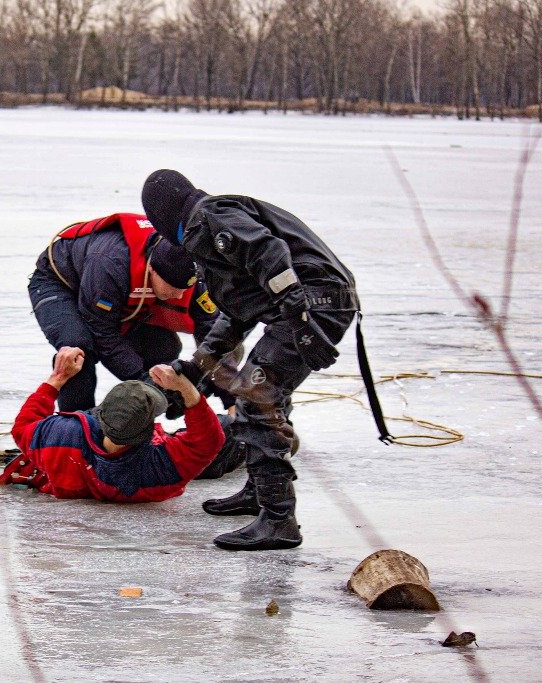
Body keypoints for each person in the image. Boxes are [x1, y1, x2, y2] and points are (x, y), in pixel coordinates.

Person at [141, 169, 388, 551]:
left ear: (161, 212)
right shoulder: (204, 235)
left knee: (256, 398)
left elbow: (269, 251)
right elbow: (239, 312)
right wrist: (198, 367)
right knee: (262, 393)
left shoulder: (210, 217)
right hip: (312, 300)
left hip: (312, 302)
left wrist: (298, 313)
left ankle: (278, 519)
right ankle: (259, 493)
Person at [28, 213, 223, 413]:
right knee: (79, 349)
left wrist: (209, 385)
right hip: (61, 282)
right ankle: (75, 427)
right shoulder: (112, 265)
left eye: (184, 290)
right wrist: (144, 379)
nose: (179, 295)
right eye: (173, 288)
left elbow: (213, 329)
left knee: (165, 349)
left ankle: (136, 428)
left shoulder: (188, 273)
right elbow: (103, 335)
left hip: (109, 293)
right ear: (152, 270)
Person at [0, 347, 225, 502]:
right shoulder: (161, 468)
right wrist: (185, 387)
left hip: (74, 466)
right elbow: (210, 440)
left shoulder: (61, 436)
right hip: (144, 478)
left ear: (99, 414)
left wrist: (58, 378)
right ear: (149, 430)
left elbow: (22, 427)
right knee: (227, 427)